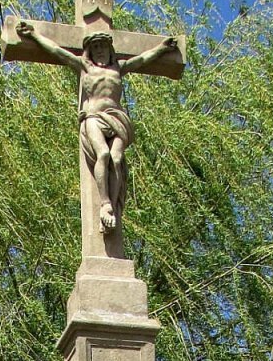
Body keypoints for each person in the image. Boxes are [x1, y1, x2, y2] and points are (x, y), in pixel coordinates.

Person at [15, 20, 179, 234]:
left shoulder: (119, 68)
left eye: (103, 47)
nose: (100, 51)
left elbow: (143, 58)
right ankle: (106, 204)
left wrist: (162, 48)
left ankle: (113, 203)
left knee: (117, 158)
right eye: (95, 47)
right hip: (93, 116)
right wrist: (34, 36)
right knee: (103, 154)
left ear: (110, 50)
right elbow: (56, 50)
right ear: (90, 51)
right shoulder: (85, 67)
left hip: (117, 118)